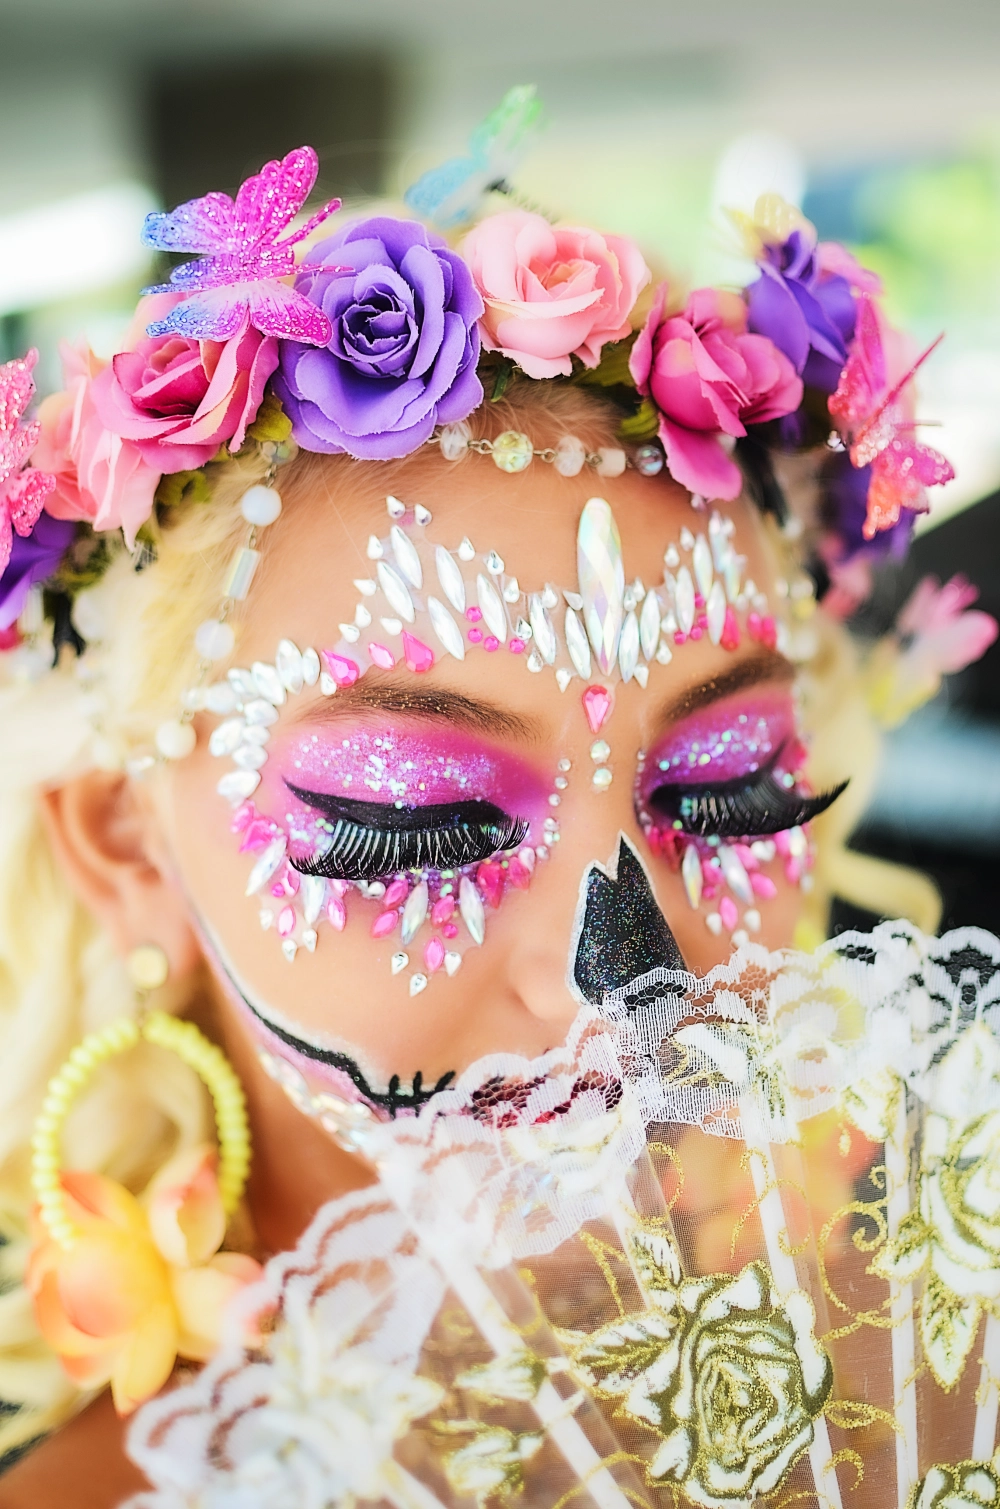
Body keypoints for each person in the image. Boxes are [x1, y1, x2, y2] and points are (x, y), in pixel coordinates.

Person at [0, 109, 994, 1507]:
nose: (623, 983)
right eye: (417, 824)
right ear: (120, 842)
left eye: (729, 792)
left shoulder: (936, 1393)